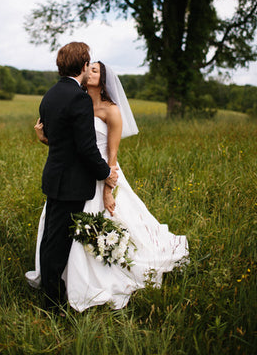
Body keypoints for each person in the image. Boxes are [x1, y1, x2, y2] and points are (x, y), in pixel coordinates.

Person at [27, 61, 189, 312]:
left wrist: (107, 190)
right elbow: (69, 145)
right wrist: (43, 138)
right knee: (61, 231)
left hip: (101, 174)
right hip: (73, 177)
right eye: (88, 68)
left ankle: (95, 279)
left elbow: (111, 156)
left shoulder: (111, 110)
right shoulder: (75, 100)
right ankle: (61, 280)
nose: (89, 72)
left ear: (103, 80)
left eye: (95, 70)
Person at [25, 43, 118, 312]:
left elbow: (58, 137)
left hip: (55, 177)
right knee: (58, 243)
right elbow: (85, 147)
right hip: (72, 183)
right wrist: (106, 175)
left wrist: (44, 138)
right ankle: (53, 303)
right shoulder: (77, 98)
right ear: (83, 64)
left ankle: (53, 289)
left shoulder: (51, 94)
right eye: (88, 63)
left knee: (51, 238)